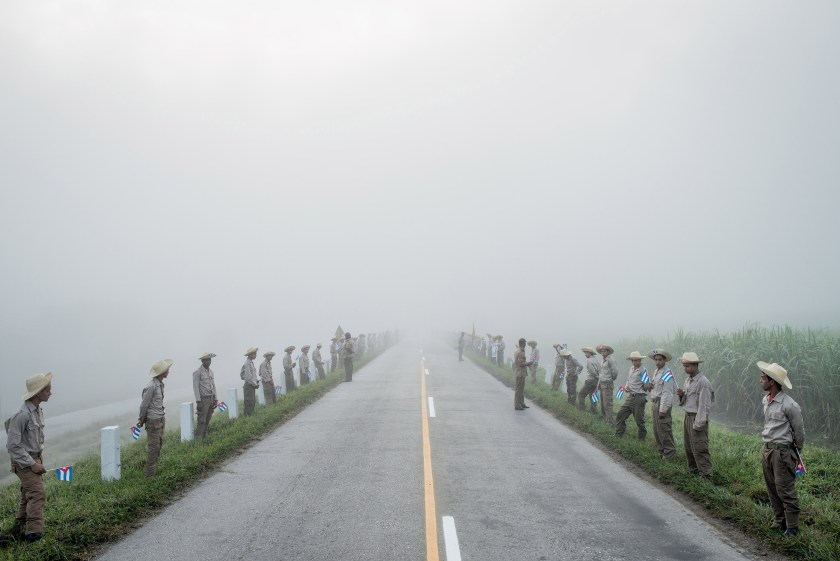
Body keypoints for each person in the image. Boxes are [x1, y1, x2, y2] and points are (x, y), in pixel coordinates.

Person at [758, 361, 805, 537]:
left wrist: (795, 452)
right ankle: (779, 520)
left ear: (772, 382)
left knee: (785, 488)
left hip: (783, 452)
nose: (760, 380)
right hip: (768, 449)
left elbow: (799, 431)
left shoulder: (789, 404)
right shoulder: (766, 400)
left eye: (763, 378)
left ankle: (792, 526)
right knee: (772, 487)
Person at [5, 372, 53, 542]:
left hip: (35, 458)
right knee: (37, 493)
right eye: (47, 390)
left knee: (28, 493)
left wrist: (38, 460)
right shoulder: (22, 415)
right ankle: (33, 534)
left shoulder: (38, 410)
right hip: (25, 462)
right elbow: (12, 445)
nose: (50, 392)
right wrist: (32, 464)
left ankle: (19, 526)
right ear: (38, 392)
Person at [676, 352, 713, 479]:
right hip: (688, 416)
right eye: (684, 366)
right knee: (688, 446)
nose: (685, 368)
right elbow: (688, 400)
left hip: (697, 418)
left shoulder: (703, 382)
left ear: (695, 365)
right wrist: (681, 396)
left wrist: (698, 424)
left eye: (687, 366)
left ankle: (706, 475)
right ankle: (693, 471)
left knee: (699, 447)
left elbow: (704, 406)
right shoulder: (688, 380)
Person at [139, 359, 171, 477]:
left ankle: (153, 471)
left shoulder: (160, 384)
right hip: (153, 421)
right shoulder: (151, 387)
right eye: (167, 370)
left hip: (160, 418)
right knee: (154, 447)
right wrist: (141, 419)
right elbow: (144, 405)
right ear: (162, 372)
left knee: (159, 444)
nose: (168, 371)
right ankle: (149, 476)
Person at [647, 349, 677, 459]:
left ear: (665, 360)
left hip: (661, 404)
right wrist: (650, 386)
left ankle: (669, 454)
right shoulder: (656, 372)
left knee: (664, 429)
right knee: (657, 430)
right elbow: (656, 388)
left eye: (660, 360)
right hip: (654, 403)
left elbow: (667, 393)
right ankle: (662, 451)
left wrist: (663, 410)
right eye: (656, 360)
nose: (658, 362)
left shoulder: (667, 373)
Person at [615, 351, 648, 440]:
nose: (634, 362)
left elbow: (646, 386)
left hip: (639, 397)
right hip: (630, 396)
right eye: (632, 360)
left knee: (639, 420)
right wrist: (626, 387)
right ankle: (619, 435)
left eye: (636, 360)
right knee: (621, 414)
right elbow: (628, 380)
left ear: (640, 360)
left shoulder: (643, 370)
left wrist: (648, 386)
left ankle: (641, 441)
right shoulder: (631, 369)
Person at [193, 353, 218, 439]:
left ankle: (204, 436)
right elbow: (195, 387)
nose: (208, 362)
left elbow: (213, 385)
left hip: (211, 398)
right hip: (203, 400)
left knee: (208, 419)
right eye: (206, 360)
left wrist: (216, 398)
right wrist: (198, 401)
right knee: (201, 420)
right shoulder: (198, 372)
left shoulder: (211, 372)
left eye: (209, 360)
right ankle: (199, 439)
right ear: (202, 361)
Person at [597, 344, 618, 424]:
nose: (603, 352)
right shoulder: (602, 361)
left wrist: (610, 379)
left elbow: (615, 372)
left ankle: (609, 421)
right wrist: (598, 384)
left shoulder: (611, 360)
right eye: (601, 351)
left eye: (604, 351)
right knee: (602, 403)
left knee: (607, 404)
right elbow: (601, 373)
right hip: (602, 383)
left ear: (608, 352)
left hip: (607, 384)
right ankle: (605, 419)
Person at [513, 338, 535, 410]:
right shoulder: (520, 352)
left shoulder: (520, 350)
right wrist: (529, 363)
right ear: (523, 344)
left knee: (521, 389)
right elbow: (521, 364)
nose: (526, 345)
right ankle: (517, 404)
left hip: (521, 372)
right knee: (519, 389)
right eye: (525, 343)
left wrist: (526, 363)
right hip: (520, 373)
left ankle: (521, 403)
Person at [578, 347, 600, 413]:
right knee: (592, 395)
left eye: (586, 353)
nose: (585, 354)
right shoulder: (595, 360)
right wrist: (598, 378)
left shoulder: (589, 360)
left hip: (591, 380)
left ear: (589, 353)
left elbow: (592, 371)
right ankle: (593, 410)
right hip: (596, 381)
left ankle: (581, 410)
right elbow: (599, 370)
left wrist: (596, 377)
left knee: (581, 394)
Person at [241, 347, 259, 415]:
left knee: (252, 402)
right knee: (249, 402)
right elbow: (248, 377)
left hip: (251, 385)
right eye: (254, 354)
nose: (255, 355)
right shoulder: (247, 363)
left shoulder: (251, 362)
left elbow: (253, 375)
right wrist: (255, 384)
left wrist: (256, 381)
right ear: (250, 354)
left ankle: (250, 416)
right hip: (249, 385)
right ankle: (247, 417)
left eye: (255, 353)